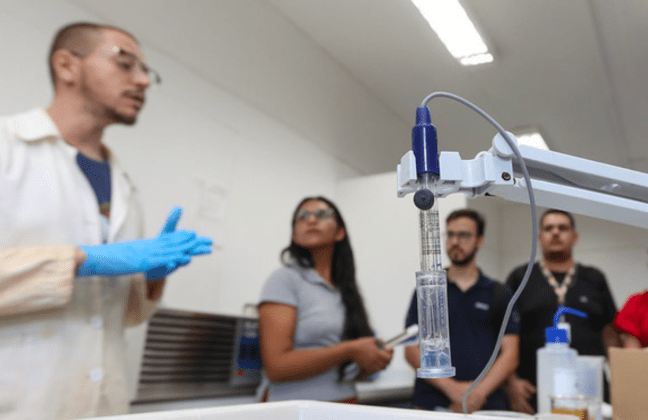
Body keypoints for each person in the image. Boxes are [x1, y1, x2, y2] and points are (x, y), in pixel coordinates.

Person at [0, 22, 212, 419]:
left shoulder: (124, 186)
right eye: (125, 63)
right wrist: (85, 260)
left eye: (147, 71)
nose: (144, 81)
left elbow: (122, 317)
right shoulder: (7, 146)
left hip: (102, 405)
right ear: (67, 66)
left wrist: (152, 277)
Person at [257, 196, 393, 403]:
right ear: (294, 235)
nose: (311, 220)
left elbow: (346, 369)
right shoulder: (284, 280)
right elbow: (276, 367)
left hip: (345, 404)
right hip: (295, 410)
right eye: (302, 217)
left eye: (321, 214)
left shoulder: (346, 291)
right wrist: (350, 350)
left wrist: (372, 359)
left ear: (339, 232)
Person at [404, 209, 520, 413]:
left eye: (464, 235)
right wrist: (453, 389)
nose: (455, 241)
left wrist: (477, 393)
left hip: (486, 406)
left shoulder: (499, 293)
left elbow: (510, 354)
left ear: (480, 241)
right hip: (432, 404)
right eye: (450, 234)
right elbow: (411, 348)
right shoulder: (428, 290)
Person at [504, 209, 619, 414]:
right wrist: (511, 383)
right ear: (540, 238)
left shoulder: (594, 278)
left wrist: (619, 380)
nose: (555, 233)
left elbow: (610, 333)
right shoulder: (520, 277)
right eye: (549, 228)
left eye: (563, 228)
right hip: (534, 391)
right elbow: (503, 336)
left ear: (575, 237)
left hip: (589, 391)